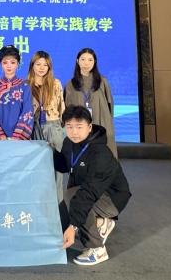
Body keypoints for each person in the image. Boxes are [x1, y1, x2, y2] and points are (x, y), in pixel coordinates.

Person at [54, 105, 131, 266]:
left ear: (89, 127)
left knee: (74, 199)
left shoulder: (100, 153)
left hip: (112, 196)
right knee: (62, 215)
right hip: (85, 190)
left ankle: (97, 249)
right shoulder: (69, 142)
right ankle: (102, 224)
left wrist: (73, 226)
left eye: (79, 127)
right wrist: (52, 152)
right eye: (69, 127)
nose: (74, 132)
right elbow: (65, 166)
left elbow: (89, 192)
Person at [26, 50, 66, 201]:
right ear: (32, 65)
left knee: (57, 171)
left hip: (53, 126)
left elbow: (62, 107)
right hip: (34, 127)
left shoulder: (55, 84)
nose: (42, 68)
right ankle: (40, 205)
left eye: (45, 65)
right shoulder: (26, 85)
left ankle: (58, 207)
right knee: (38, 169)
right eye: (38, 64)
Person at [64, 48, 117, 157]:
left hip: (101, 123)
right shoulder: (71, 84)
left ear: (95, 62)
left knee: (103, 155)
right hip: (80, 126)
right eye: (83, 59)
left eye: (90, 60)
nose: (86, 63)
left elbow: (109, 105)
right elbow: (67, 109)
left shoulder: (102, 82)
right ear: (77, 61)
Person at [0, 45, 33, 141]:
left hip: (19, 138)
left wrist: (17, 136)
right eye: (5, 62)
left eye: (12, 62)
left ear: (18, 63)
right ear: (0, 63)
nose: (9, 66)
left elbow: (27, 111)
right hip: (0, 138)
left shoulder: (24, 86)